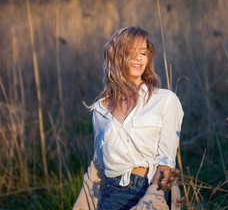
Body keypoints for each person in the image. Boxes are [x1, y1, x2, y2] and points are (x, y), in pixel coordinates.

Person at [73, 26, 184, 210]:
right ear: (116, 56)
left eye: (143, 53)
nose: (139, 58)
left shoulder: (165, 100)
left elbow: (166, 163)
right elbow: (98, 168)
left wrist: (152, 200)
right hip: (113, 195)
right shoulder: (100, 111)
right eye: (132, 52)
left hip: (152, 190)